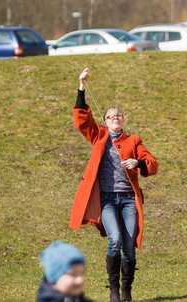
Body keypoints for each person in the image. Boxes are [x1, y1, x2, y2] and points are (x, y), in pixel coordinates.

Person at [69, 68, 159, 302]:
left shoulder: (134, 140)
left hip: (129, 199)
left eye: (118, 116)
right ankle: (113, 291)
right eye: (110, 116)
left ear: (123, 120)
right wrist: (81, 86)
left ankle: (127, 291)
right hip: (107, 200)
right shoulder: (98, 135)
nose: (115, 118)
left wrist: (137, 161)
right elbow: (81, 120)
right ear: (105, 120)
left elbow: (152, 164)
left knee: (129, 246)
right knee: (115, 239)